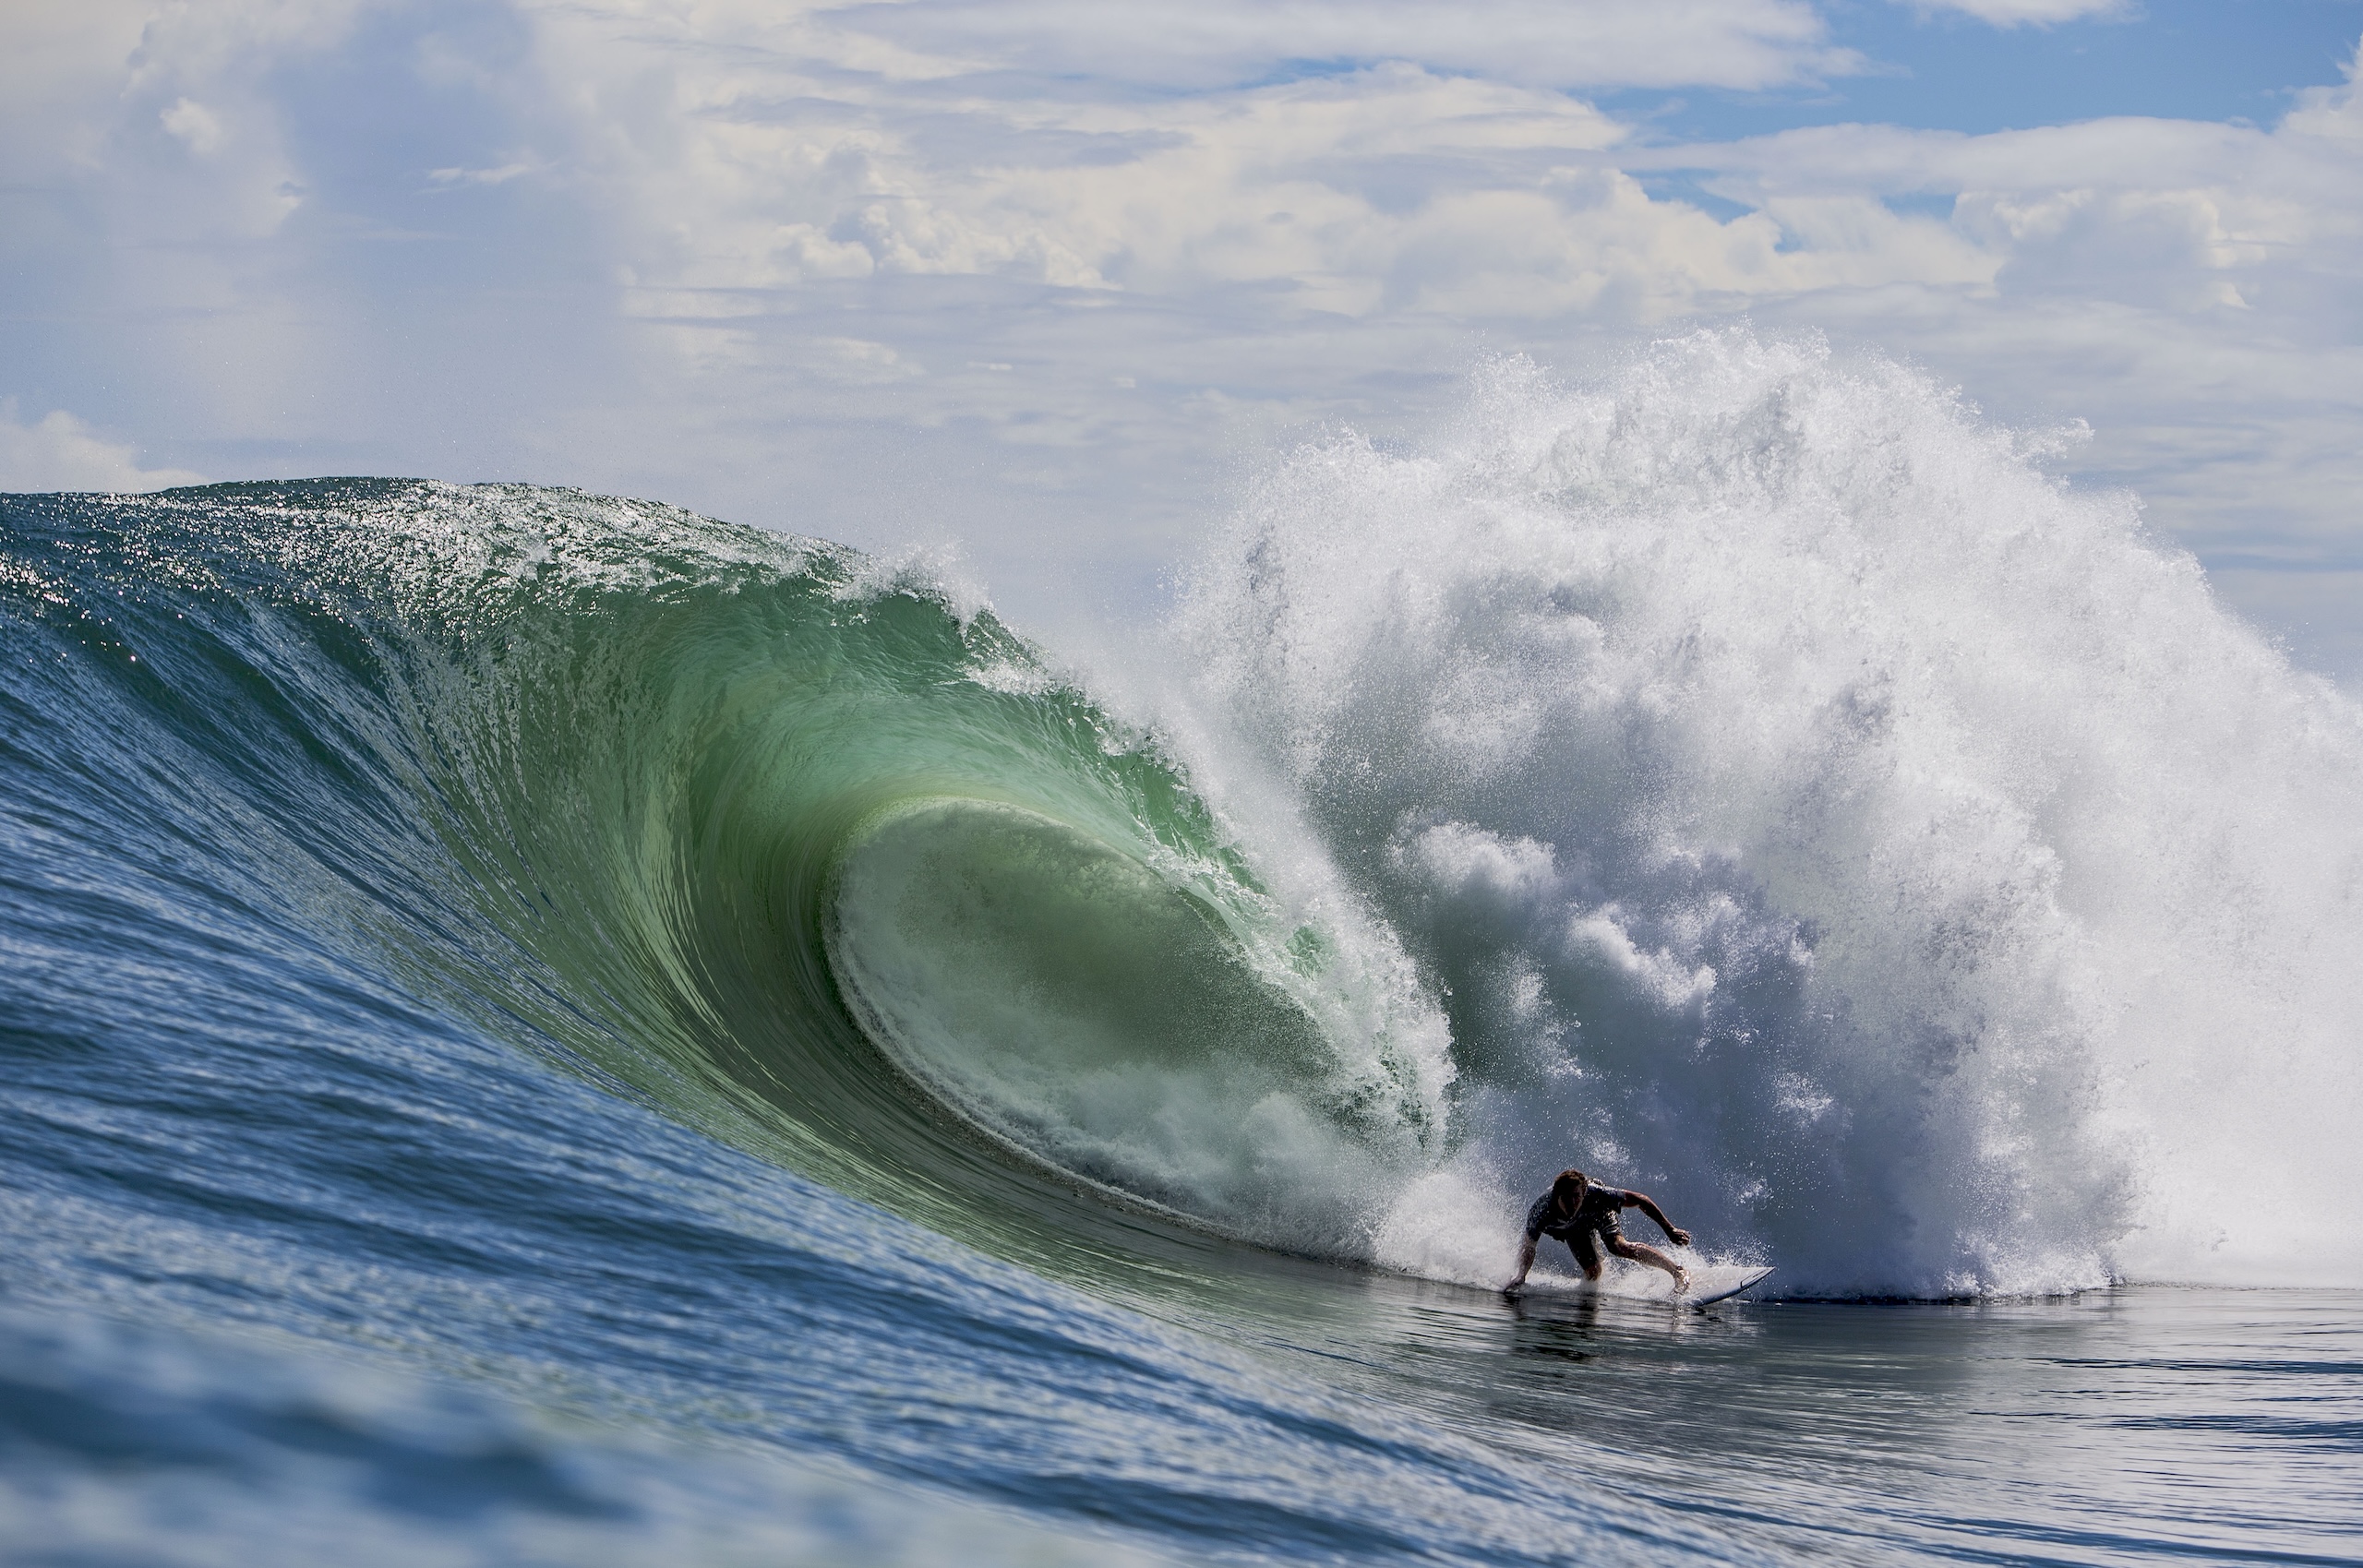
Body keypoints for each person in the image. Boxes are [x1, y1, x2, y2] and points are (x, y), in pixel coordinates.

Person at [1505, 1168, 1692, 1295]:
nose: (1571, 1203)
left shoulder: (1596, 1194)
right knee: (1593, 1273)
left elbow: (1641, 1200)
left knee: (1619, 1247)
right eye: (1565, 1198)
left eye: (1576, 1196)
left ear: (1583, 1192)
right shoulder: (1542, 1211)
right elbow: (1529, 1246)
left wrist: (1670, 1229)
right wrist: (1521, 1275)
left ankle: (1677, 1271)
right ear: (1556, 1195)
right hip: (1574, 1230)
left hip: (1598, 1213)